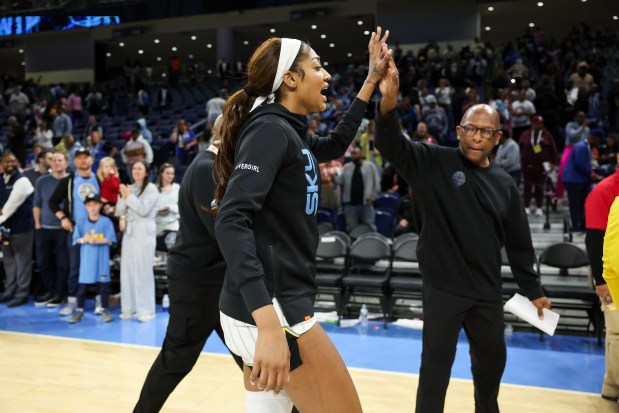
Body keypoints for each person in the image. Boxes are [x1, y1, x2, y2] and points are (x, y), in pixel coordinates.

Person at [213, 28, 392, 412]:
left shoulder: (291, 133)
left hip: (269, 306)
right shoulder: (269, 130)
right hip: (271, 310)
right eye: (317, 66)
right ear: (290, 79)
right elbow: (231, 220)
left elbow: (337, 143)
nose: (326, 75)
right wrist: (268, 325)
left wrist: (370, 81)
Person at [374, 60, 552, 413]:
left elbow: (519, 244)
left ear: (498, 138)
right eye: (472, 129)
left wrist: (534, 290)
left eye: (487, 132)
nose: (477, 137)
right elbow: (390, 143)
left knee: (490, 369)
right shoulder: (431, 162)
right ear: (458, 131)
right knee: (435, 370)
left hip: (487, 291)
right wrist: (389, 101)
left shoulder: (505, 185)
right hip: (442, 287)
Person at [133, 141, 249, 413]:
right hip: (197, 286)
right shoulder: (206, 170)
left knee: (253, 357)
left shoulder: (212, 167)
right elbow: (224, 230)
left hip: (217, 281)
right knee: (176, 359)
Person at [48, 147, 100, 316]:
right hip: (76, 230)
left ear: (92, 160)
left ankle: (100, 300)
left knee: (98, 265)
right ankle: (72, 301)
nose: (83, 160)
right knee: (74, 267)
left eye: (86, 157)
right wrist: (63, 218)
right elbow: (52, 202)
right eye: (79, 158)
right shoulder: (69, 180)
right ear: (74, 161)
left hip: (98, 230)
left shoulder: (99, 178)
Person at [584, 152, 619, 402]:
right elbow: (594, 239)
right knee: (617, 332)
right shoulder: (604, 191)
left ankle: (610, 385)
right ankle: (613, 385)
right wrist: (601, 280)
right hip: (609, 275)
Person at [115, 160, 158, 322]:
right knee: (127, 270)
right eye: (134, 168)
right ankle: (129, 308)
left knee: (142, 271)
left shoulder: (151, 189)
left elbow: (143, 210)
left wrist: (128, 196)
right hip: (129, 233)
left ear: (146, 172)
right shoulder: (130, 188)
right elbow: (119, 210)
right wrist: (123, 200)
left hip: (144, 232)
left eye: (140, 168)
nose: (136, 171)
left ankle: (146, 310)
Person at [67, 192, 116, 323]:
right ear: (85, 207)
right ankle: (79, 310)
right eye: (89, 205)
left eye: (95, 204)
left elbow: (110, 239)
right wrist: (85, 239)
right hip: (87, 261)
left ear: (100, 205)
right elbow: (76, 239)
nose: (92, 208)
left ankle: (105, 308)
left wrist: (97, 240)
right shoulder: (82, 223)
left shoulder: (106, 222)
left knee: (103, 286)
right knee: (82, 286)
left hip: (101, 260)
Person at [33, 152, 70, 308]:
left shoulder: (71, 181)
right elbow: (37, 203)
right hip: (44, 228)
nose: (56, 163)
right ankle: (51, 290)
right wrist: (37, 223)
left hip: (63, 228)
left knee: (62, 264)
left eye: (59, 160)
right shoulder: (42, 181)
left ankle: (59, 294)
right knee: (42, 262)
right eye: (53, 160)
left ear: (66, 163)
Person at [0, 152, 35, 308]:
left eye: (13, 161)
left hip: (22, 229)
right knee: (8, 261)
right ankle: (9, 291)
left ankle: (21, 293)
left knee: (22, 262)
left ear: (17, 163)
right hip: (5, 229)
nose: (10, 164)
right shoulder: (1, 180)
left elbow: (9, 208)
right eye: (6, 161)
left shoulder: (23, 181)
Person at [518, 115, 557, 216]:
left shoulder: (547, 135)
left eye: (541, 123)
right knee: (527, 186)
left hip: (542, 166)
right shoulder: (525, 134)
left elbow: (553, 150)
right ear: (533, 123)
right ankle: (526, 206)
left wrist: (553, 163)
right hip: (527, 165)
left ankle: (539, 207)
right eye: (537, 123)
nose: (539, 125)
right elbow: (521, 148)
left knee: (540, 187)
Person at [335, 146, 381, 232]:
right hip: (350, 205)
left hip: (366, 203)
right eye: (352, 154)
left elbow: (377, 183)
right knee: (351, 228)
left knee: (370, 226)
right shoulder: (347, 167)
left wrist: (373, 198)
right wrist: (334, 173)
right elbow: (339, 181)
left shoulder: (370, 166)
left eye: (355, 153)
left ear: (361, 153)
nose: (353, 155)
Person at [155, 163, 180, 235]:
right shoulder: (154, 189)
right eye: (168, 173)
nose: (170, 176)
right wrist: (158, 211)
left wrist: (170, 208)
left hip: (173, 224)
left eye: (172, 174)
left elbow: (182, 208)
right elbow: (150, 208)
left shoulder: (177, 188)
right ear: (161, 174)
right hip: (157, 225)